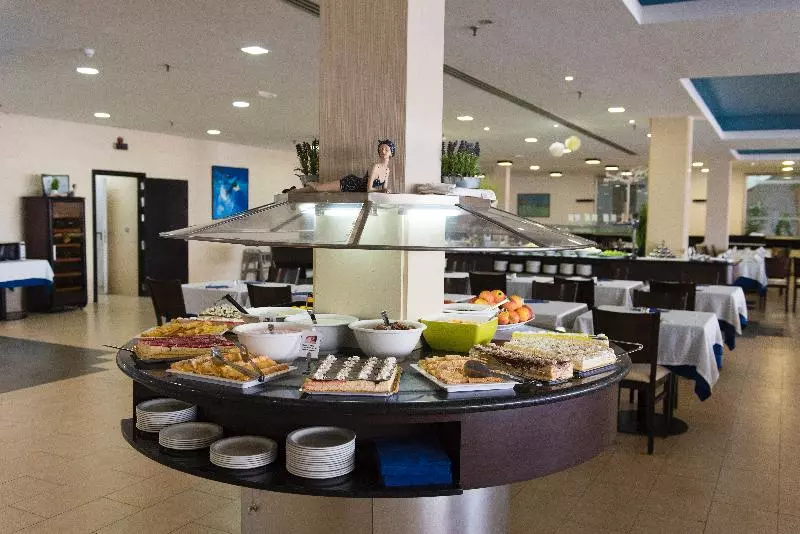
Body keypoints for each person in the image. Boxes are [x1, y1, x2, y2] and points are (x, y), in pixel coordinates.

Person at [309, 140, 394, 192]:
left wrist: (385, 190)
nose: (383, 151)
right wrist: (382, 191)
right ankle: (308, 182)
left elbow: (384, 188)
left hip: (357, 190)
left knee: (316, 189)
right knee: (318, 188)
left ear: (391, 153)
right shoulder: (375, 167)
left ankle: (302, 190)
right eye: (381, 149)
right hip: (352, 183)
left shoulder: (387, 170)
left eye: (386, 149)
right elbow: (369, 189)